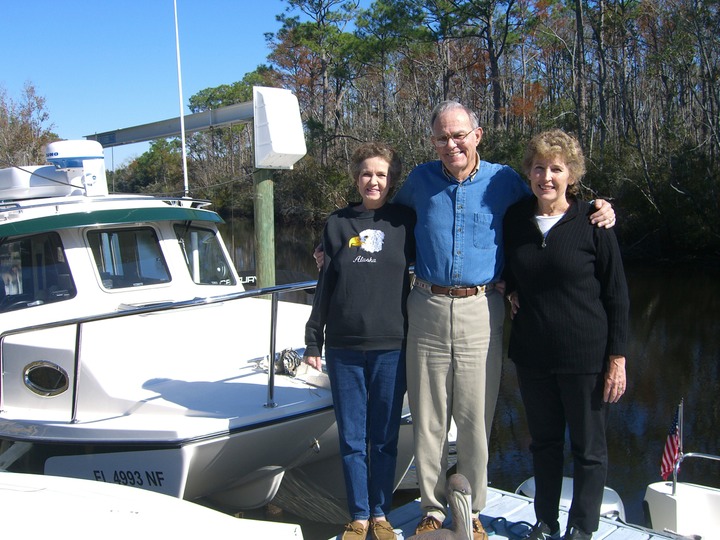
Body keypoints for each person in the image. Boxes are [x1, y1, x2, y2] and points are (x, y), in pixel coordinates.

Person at [313, 102, 616, 539]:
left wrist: (599, 205)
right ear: (433, 141)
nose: (451, 144)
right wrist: (330, 245)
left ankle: (469, 507)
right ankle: (433, 508)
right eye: (442, 137)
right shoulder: (418, 182)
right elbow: (377, 215)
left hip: (481, 308)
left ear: (478, 135)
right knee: (428, 415)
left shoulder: (506, 181)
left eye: (459, 135)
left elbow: (551, 207)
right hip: (426, 306)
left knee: (475, 417)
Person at [502, 129, 629, 540]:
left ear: (571, 175)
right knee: (544, 443)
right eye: (539, 168)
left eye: (556, 168)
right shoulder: (516, 219)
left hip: (586, 358)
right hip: (532, 355)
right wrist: (511, 288)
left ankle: (581, 528)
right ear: (529, 173)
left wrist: (617, 358)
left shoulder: (593, 221)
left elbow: (617, 295)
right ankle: (546, 521)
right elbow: (509, 269)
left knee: (588, 451)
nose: (547, 177)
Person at [304, 142, 416, 540]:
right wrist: (313, 340)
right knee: (352, 439)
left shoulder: (405, 223)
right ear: (356, 178)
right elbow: (326, 284)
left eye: (382, 175)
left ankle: (382, 515)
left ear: (392, 180)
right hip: (344, 348)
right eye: (367, 173)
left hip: (392, 346)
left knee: (384, 438)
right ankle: (359, 517)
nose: (374, 181)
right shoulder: (336, 224)